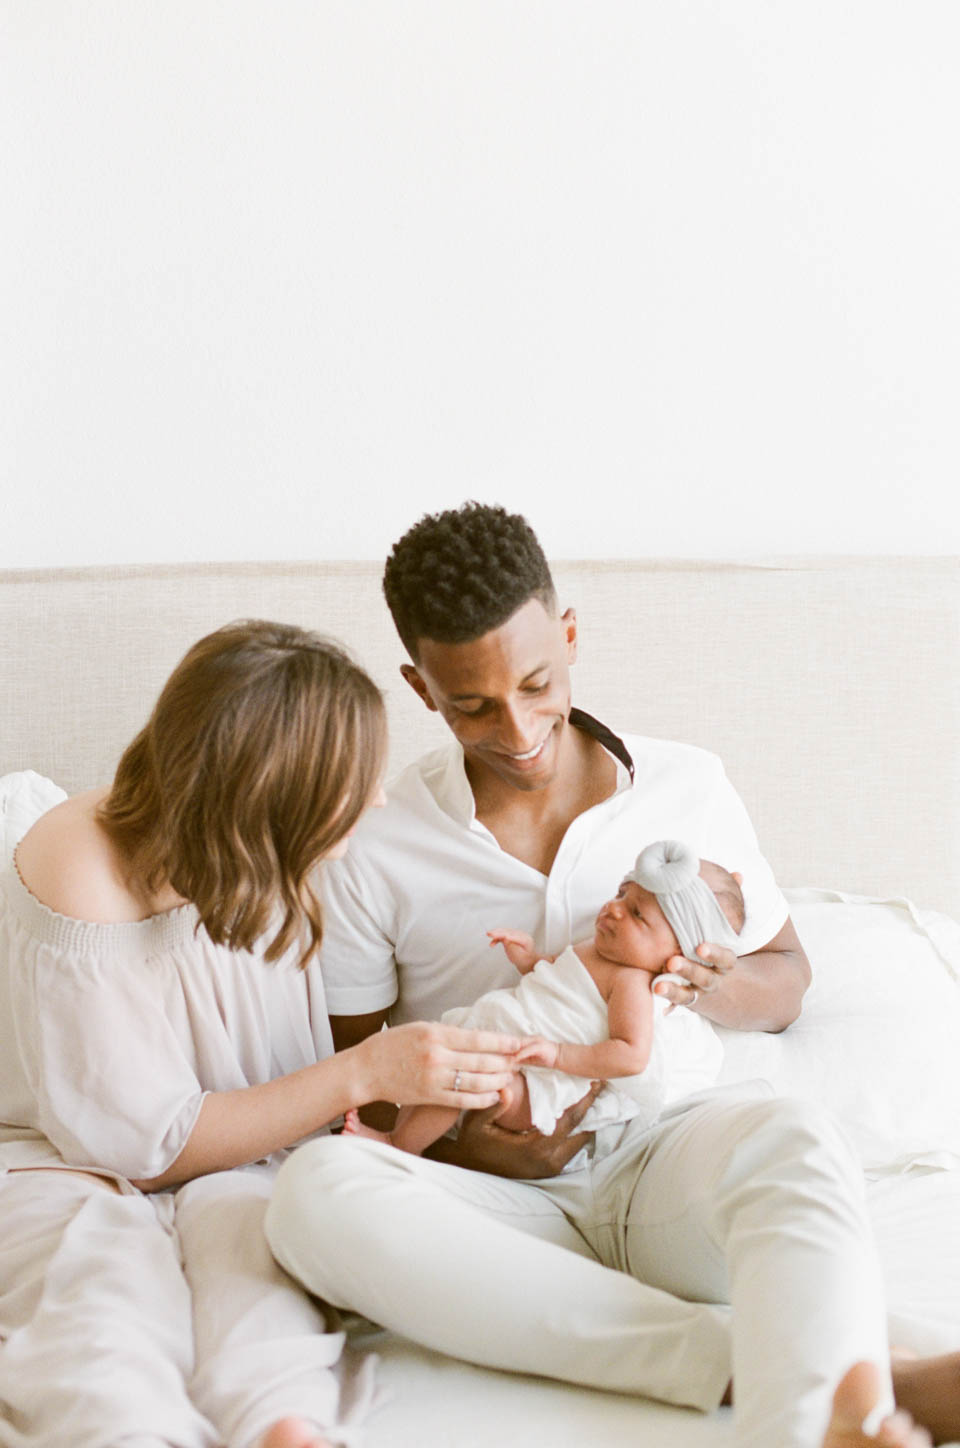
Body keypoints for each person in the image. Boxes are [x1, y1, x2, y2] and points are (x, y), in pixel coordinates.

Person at [264, 503, 958, 1448]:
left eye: (538, 682)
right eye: (471, 704)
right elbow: (367, 1087)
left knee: (793, 1139)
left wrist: (709, 981)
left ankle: (825, 1412)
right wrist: (480, 1146)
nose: (516, 730)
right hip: (498, 1197)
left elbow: (788, 981)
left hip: (672, 1153)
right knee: (317, 1191)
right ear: (419, 686)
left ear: (572, 635)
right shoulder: (376, 840)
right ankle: (793, 1374)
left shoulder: (689, 788)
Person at [0, 620, 526, 1448]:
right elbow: (142, 1146)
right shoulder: (82, 867)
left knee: (257, 1267)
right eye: (352, 781)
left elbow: (278, 1097)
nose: (378, 798)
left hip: (243, 1149)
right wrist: (364, 1072)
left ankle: (282, 1427)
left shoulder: (278, 864)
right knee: (102, 1304)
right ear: (266, 797)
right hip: (66, 1159)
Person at [344, 839, 744, 1158]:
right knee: (442, 1073)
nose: (615, 909)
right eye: (623, 895)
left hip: (542, 1081)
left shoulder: (632, 983)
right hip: (512, 1043)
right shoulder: (596, 950)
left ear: (677, 957)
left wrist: (557, 1055)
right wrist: (530, 959)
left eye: (637, 915)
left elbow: (630, 1055)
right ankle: (399, 1132)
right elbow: (561, 978)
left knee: (464, 1079)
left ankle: (398, 1149)